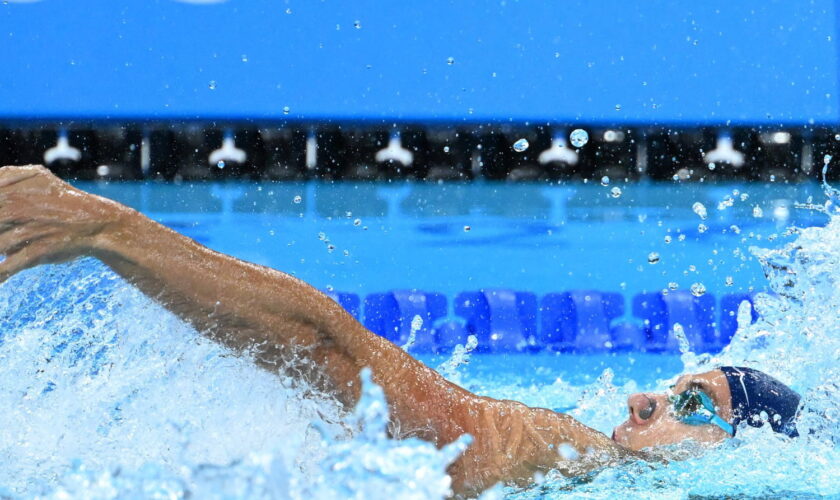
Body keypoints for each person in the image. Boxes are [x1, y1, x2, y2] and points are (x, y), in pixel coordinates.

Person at [0, 165, 801, 497]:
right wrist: (111, 233)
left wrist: (111, 233)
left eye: (688, 407)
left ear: (740, 453)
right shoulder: (574, 453)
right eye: (670, 387)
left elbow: (333, 351)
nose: (642, 399)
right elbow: (338, 353)